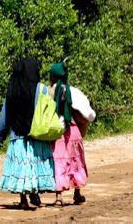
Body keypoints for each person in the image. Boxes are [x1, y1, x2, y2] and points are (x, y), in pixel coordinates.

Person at [0, 58, 56, 209]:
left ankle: (23, 199)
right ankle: (35, 193)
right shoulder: (42, 89)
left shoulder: (12, 91)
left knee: (22, 167)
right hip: (37, 136)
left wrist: (0, 135)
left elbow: (5, 115)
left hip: (17, 137)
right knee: (34, 166)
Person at [48, 62, 89, 206]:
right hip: (73, 131)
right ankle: (77, 193)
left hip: (57, 132)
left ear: (52, 76)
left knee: (59, 162)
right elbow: (87, 113)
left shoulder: (49, 91)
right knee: (75, 161)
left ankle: (59, 197)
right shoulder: (74, 91)